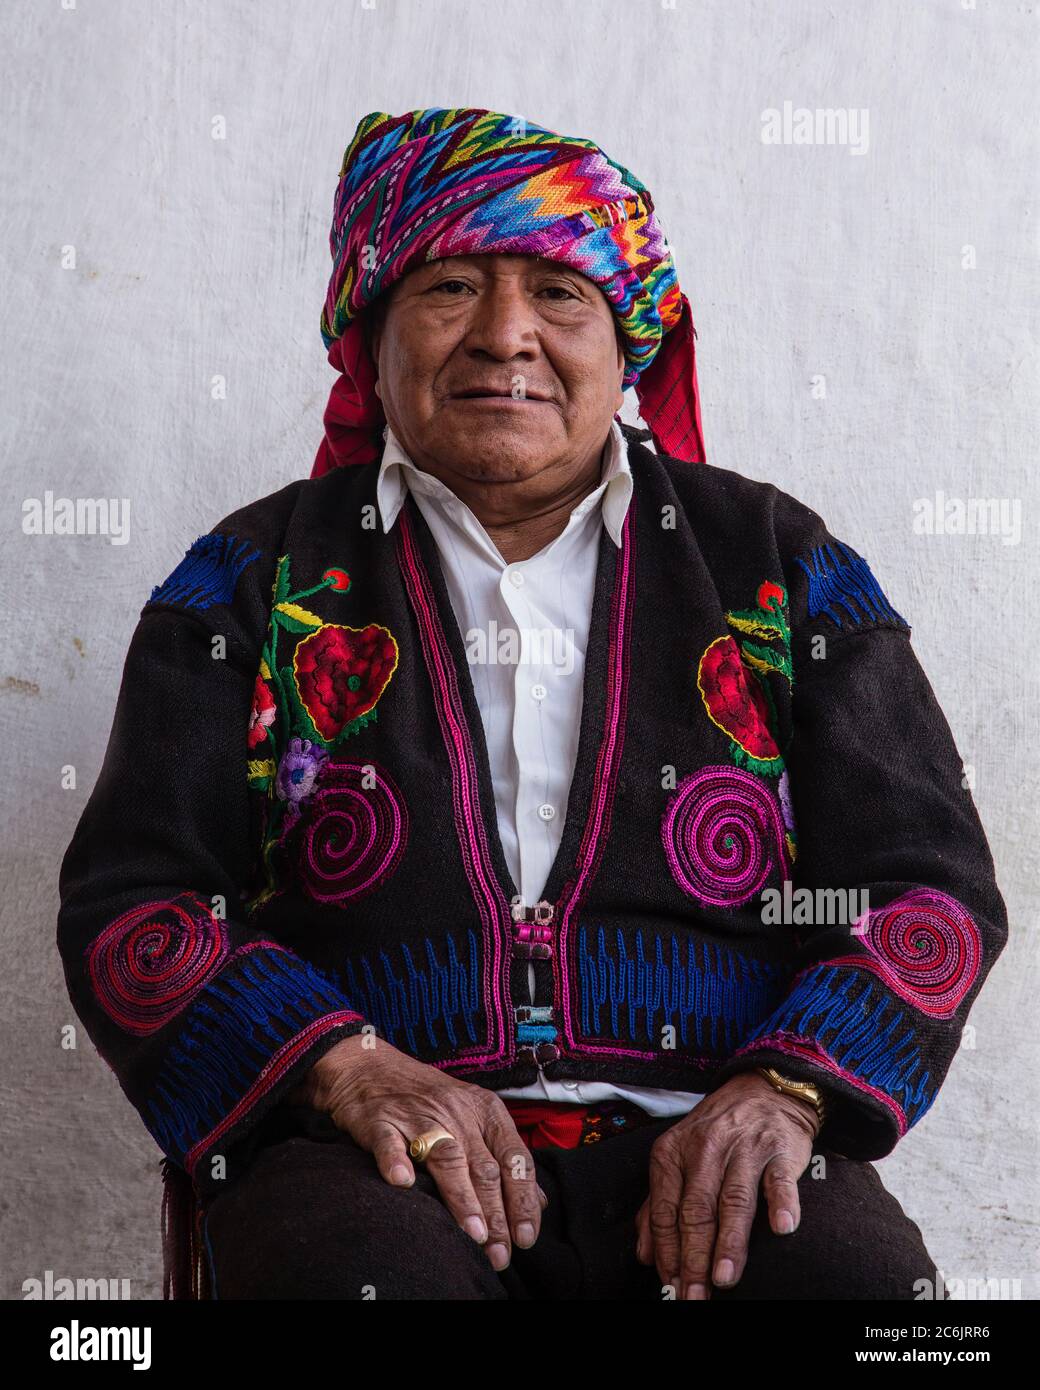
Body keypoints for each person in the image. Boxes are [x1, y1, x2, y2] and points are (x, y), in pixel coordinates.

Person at [57, 106, 1008, 1301]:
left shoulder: (771, 562)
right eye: (448, 285)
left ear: (627, 345)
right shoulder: (251, 580)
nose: (505, 333)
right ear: (371, 336)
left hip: (714, 1128)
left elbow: (924, 887)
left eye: (560, 292)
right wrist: (346, 1067)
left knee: (875, 1308)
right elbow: (135, 900)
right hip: (373, 1156)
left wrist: (784, 1089)